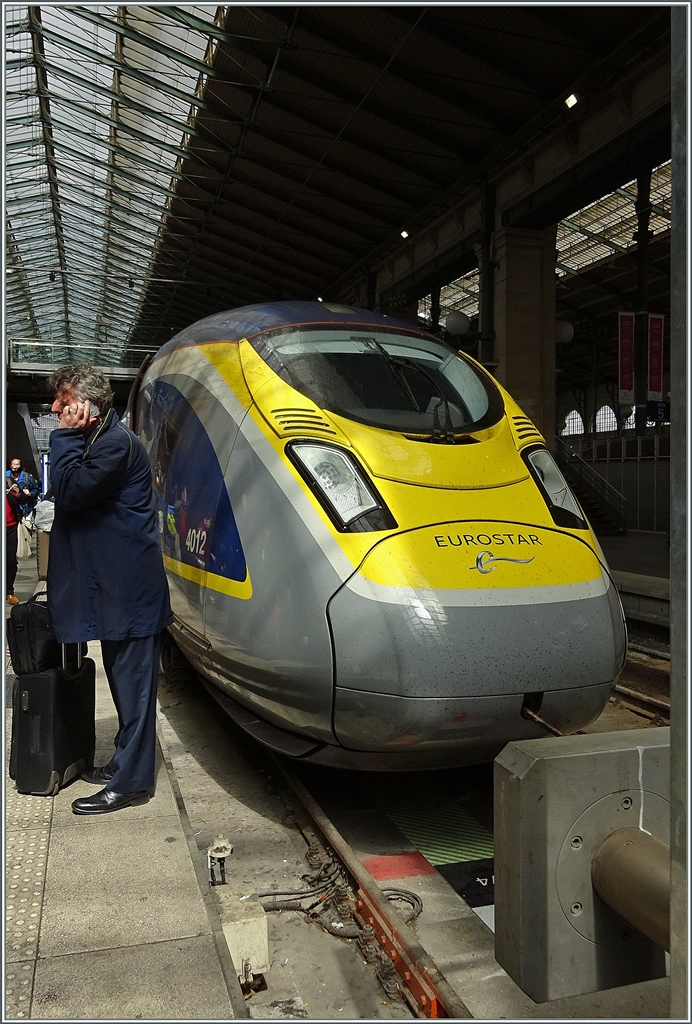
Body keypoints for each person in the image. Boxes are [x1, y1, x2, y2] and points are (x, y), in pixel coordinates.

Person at [46, 363, 173, 815]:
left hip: (131, 595)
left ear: (90, 405)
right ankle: (124, 763)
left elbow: (68, 491)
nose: (56, 409)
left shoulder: (115, 444)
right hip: (119, 592)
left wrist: (63, 437)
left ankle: (133, 783)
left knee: (134, 691)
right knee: (124, 686)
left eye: (63, 401)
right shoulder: (103, 439)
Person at [6, 478, 22, 604]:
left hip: (10, 527)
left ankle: (9, 591)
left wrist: (18, 496)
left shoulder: (8, 481)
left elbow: (26, 500)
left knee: (11, 561)